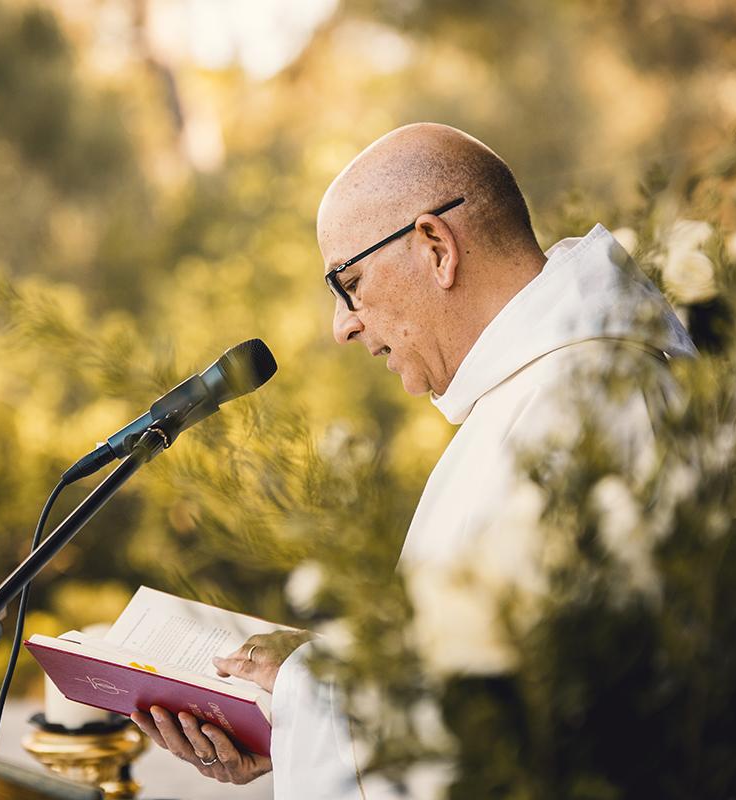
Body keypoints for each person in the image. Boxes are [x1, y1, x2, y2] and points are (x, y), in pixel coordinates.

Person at [131, 122, 696, 796]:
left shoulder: (583, 407)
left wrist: (303, 695)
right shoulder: (533, 394)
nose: (342, 325)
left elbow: (532, 721)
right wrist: (297, 702)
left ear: (435, 246)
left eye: (349, 282)